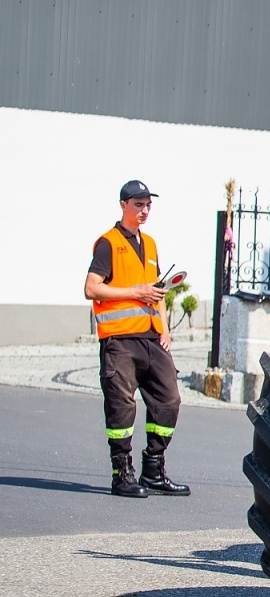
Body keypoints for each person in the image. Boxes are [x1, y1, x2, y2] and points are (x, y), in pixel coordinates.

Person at [84, 180, 190, 499]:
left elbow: (155, 289)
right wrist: (135, 292)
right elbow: (91, 288)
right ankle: (122, 474)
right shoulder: (108, 243)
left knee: (169, 398)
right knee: (122, 407)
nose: (144, 211)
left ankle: (154, 469)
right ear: (123, 205)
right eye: (138, 205)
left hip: (151, 339)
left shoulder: (152, 244)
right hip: (119, 341)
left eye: (147, 205)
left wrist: (165, 329)